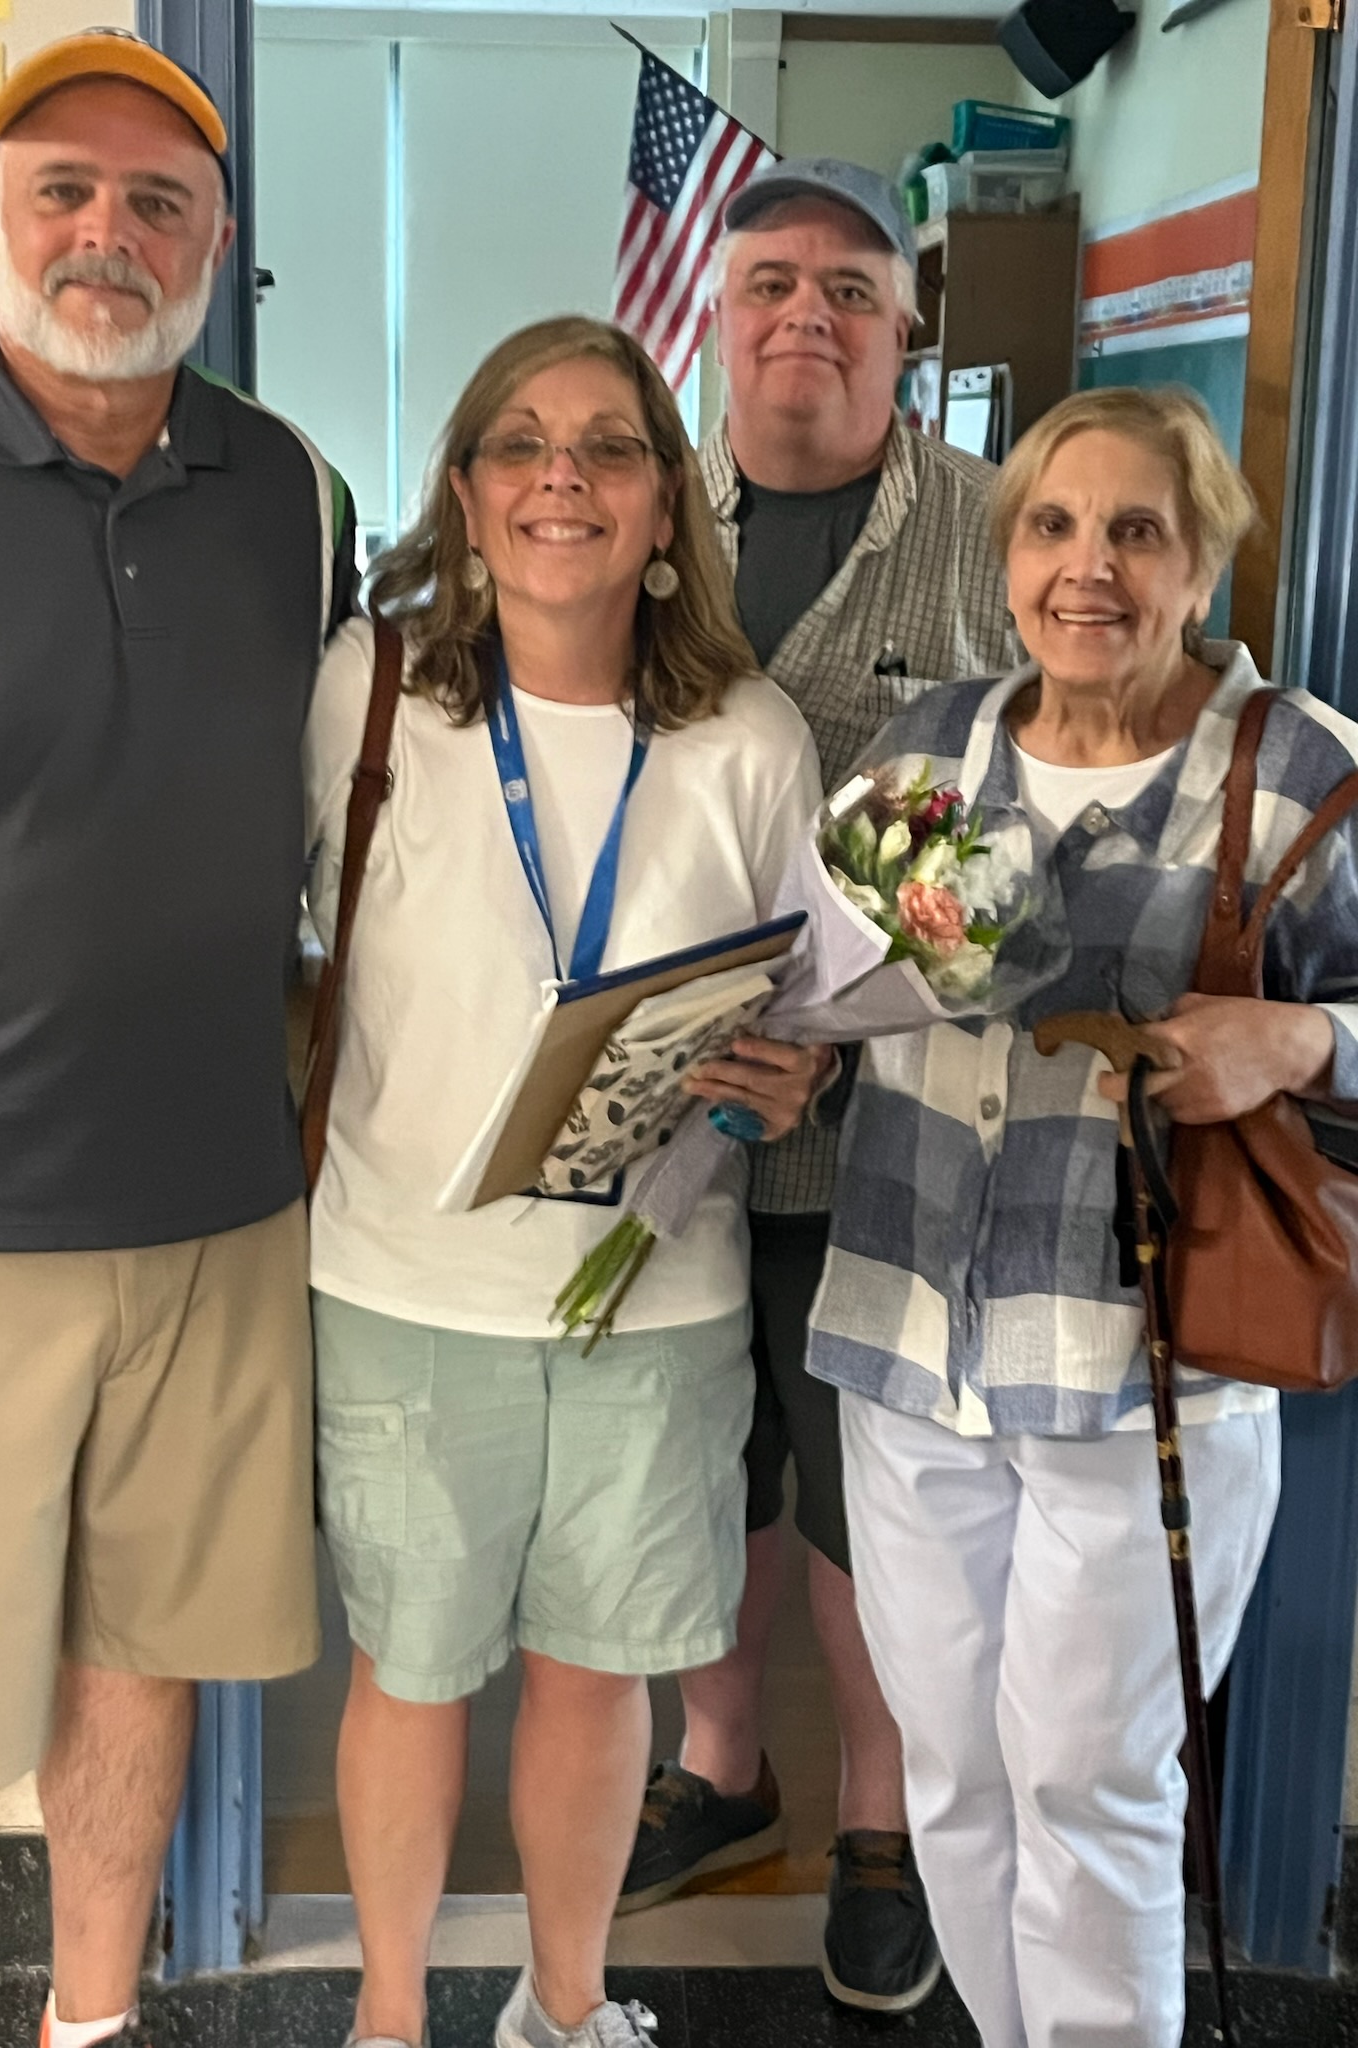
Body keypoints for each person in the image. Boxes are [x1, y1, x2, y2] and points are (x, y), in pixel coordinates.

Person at [0, 32, 356, 2048]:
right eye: (65, 188)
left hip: (218, 1209)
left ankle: (92, 2022)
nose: (106, 234)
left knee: (145, 1671)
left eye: (158, 202)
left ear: (221, 238)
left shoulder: (299, 494)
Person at [807, 384, 1358, 2046]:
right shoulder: (923, 754)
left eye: (1139, 530)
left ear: (1204, 562)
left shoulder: (1297, 773)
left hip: (1144, 1364)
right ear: (1008, 553)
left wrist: (1300, 1035)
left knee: (1092, 1784)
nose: (1089, 568)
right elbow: (828, 987)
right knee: (958, 1774)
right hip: (910, 1344)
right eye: (1053, 526)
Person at [303, 315, 829, 2048]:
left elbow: (802, 1000)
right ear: (463, 495)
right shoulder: (366, 693)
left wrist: (787, 1072)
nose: (562, 481)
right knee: (409, 1672)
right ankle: (390, 2017)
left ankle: (565, 2005)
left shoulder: (748, 734)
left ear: (668, 507)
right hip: (403, 1281)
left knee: (598, 1673)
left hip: (652, 1298)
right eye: (519, 444)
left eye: (610, 449)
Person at [619, 156, 1014, 2016]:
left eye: (851, 292)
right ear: (714, 314)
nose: (807, 318)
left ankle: (879, 1824)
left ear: (908, 330)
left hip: (897, 1135)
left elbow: (1041, 806)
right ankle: (720, 1774)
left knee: (876, 1510)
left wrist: (823, 1033)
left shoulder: (999, 533)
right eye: (770, 282)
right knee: (708, 1480)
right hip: (662, 1127)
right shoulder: (627, 512)